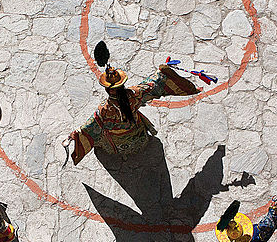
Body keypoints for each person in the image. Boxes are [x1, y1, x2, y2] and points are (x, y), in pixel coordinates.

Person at [66, 42, 199, 165]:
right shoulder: (135, 94)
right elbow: (153, 83)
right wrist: (164, 71)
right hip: (136, 131)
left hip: (118, 139)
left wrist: (75, 134)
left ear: (106, 89)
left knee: (101, 138)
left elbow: (90, 125)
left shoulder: (105, 109)